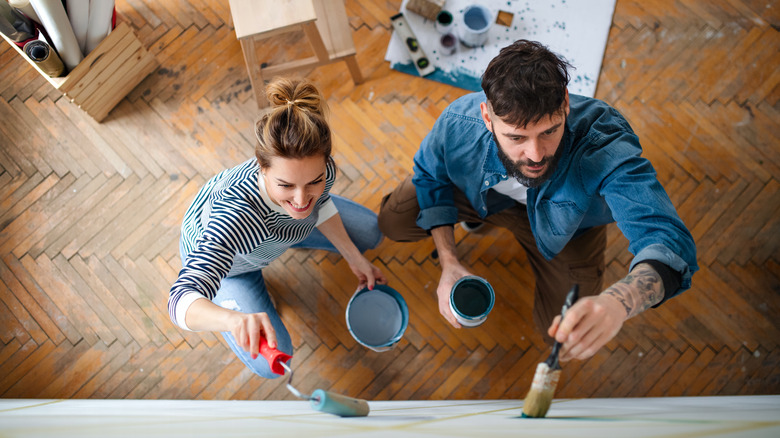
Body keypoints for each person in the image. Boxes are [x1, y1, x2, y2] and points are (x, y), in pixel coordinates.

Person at [377, 40, 697, 362]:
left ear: (565, 104)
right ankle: (480, 216)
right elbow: (431, 176)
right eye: (516, 137)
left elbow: (667, 240)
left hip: (570, 230)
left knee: (562, 334)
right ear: (487, 117)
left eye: (549, 131)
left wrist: (619, 301)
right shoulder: (459, 123)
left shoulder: (604, 141)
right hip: (486, 198)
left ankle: (485, 221)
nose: (535, 155)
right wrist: (448, 259)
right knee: (393, 220)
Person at [168, 77, 386, 378]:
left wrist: (352, 256)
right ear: (261, 167)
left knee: (371, 232)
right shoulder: (232, 218)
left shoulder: (321, 172)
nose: (301, 199)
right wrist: (232, 320)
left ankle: (294, 236)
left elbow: (318, 205)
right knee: (274, 364)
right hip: (236, 265)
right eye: (285, 184)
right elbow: (180, 301)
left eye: (315, 181)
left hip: (277, 235)